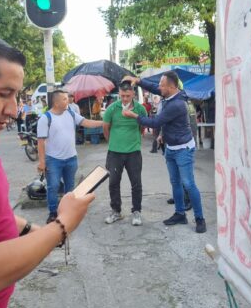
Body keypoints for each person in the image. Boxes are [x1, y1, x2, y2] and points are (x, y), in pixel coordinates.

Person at [0, 31, 95, 308]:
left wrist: (28, 231)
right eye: (3, 94)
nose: (14, 110)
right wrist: (61, 226)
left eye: (16, 95)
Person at [122, 71, 207, 233]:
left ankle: (199, 218)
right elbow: (154, 87)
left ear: (172, 87)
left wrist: (134, 116)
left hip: (183, 149)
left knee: (188, 184)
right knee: (175, 183)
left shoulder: (177, 104)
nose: (159, 87)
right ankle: (180, 214)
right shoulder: (170, 95)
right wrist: (137, 80)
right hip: (171, 147)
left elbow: (155, 122)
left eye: (162, 85)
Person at [37, 90, 103, 224]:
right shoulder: (45, 118)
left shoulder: (71, 113)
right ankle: (53, 213)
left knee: (70, 187)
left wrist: (104, 123)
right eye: (65, 99)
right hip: (53, 160)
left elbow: (86, 122)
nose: (68, 101)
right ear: (56, 102)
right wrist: (42, 162)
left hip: (71, 158)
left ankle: (68, 211)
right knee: (53, 187)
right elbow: (40, 142)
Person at [103, 82, 147, 226]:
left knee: (137, 183)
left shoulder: (140, 109)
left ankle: (136, 211)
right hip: (115, 152)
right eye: (122, 95)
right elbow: (106, 128)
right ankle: (116, 211)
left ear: (134, 94)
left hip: (133, 152)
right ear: (119, 94)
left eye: (128, 96)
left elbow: (142, 127)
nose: (125, 99)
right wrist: (113, 142)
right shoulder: (112, 108)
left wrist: (134, 140)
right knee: (113, 182)